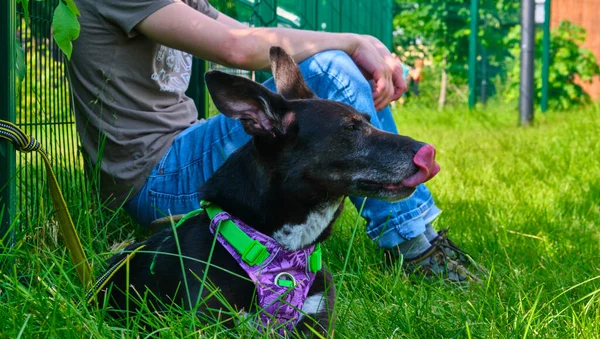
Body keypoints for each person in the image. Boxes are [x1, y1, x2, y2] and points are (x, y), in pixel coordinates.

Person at [68, 0, 483, 283]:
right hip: (152, 177)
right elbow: (237, 48)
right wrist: (355, 43)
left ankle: (418, 234)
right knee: (332, 68)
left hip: (180, 151)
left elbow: (257, 38)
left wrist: (357, 45)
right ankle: (414, 245)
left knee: (326, 74)